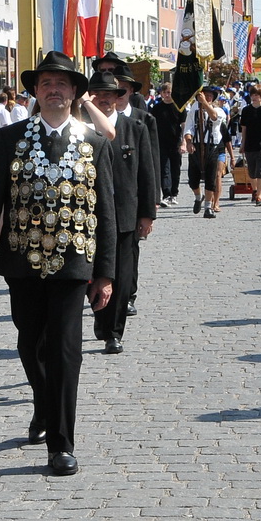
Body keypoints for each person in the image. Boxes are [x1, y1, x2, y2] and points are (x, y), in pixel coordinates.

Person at [0, 51, 116, 478]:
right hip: (22, 259)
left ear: (74, 93)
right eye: (46, 83)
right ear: (35, 90)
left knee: (66, 349)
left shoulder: (94, 143)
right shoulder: (11, 138)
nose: (54, 89)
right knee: (30, 343)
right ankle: (43, 403)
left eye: (62, 83)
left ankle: (61, 442)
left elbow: (105, 211)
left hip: (74, 262)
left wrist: (105, 273)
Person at [85, 70, 156, 353]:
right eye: (98, 94)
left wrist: (147, 213)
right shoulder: (80, 128)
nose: (104, 99)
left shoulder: (134, 127)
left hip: (125, 212)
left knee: (122, 276)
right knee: (95, 273)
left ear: (118, 97)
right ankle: (102, 321)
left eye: (110, 94)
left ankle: (114, 332)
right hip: (89, 215)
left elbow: (145, 172)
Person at [183, 85, 227, 218]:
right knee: (193, 179)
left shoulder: (219, 111)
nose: (207, 97)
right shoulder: (193, 110)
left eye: (209, 96)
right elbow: (188, 128)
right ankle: (198, 197)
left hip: (211, 147)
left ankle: (208, 207)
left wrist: (205, 104)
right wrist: (189, 142)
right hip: (196, 146)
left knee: (211, 178)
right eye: (204, 95)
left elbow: (213, 117)